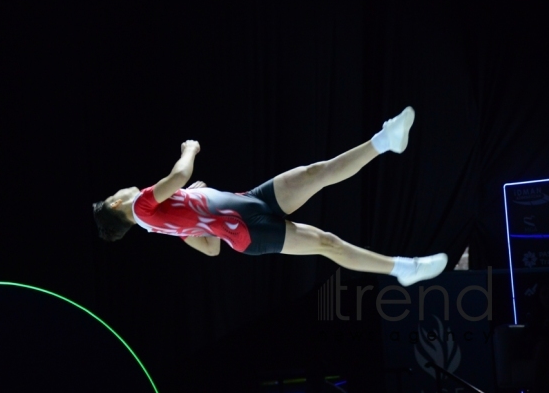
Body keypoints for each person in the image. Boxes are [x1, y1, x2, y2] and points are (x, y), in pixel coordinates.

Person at [92, 107, 447, 287]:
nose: (121, 191)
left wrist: (192, 209)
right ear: (116, 205)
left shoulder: (157, 225)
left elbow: (211, 248)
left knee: (315, 172)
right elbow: (180, 174)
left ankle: (385, 141)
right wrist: (189, 149)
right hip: (248, 231)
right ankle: (404, 268)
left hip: (250, 202)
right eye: (114, 194)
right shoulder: (141, 206)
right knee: (328, 242)